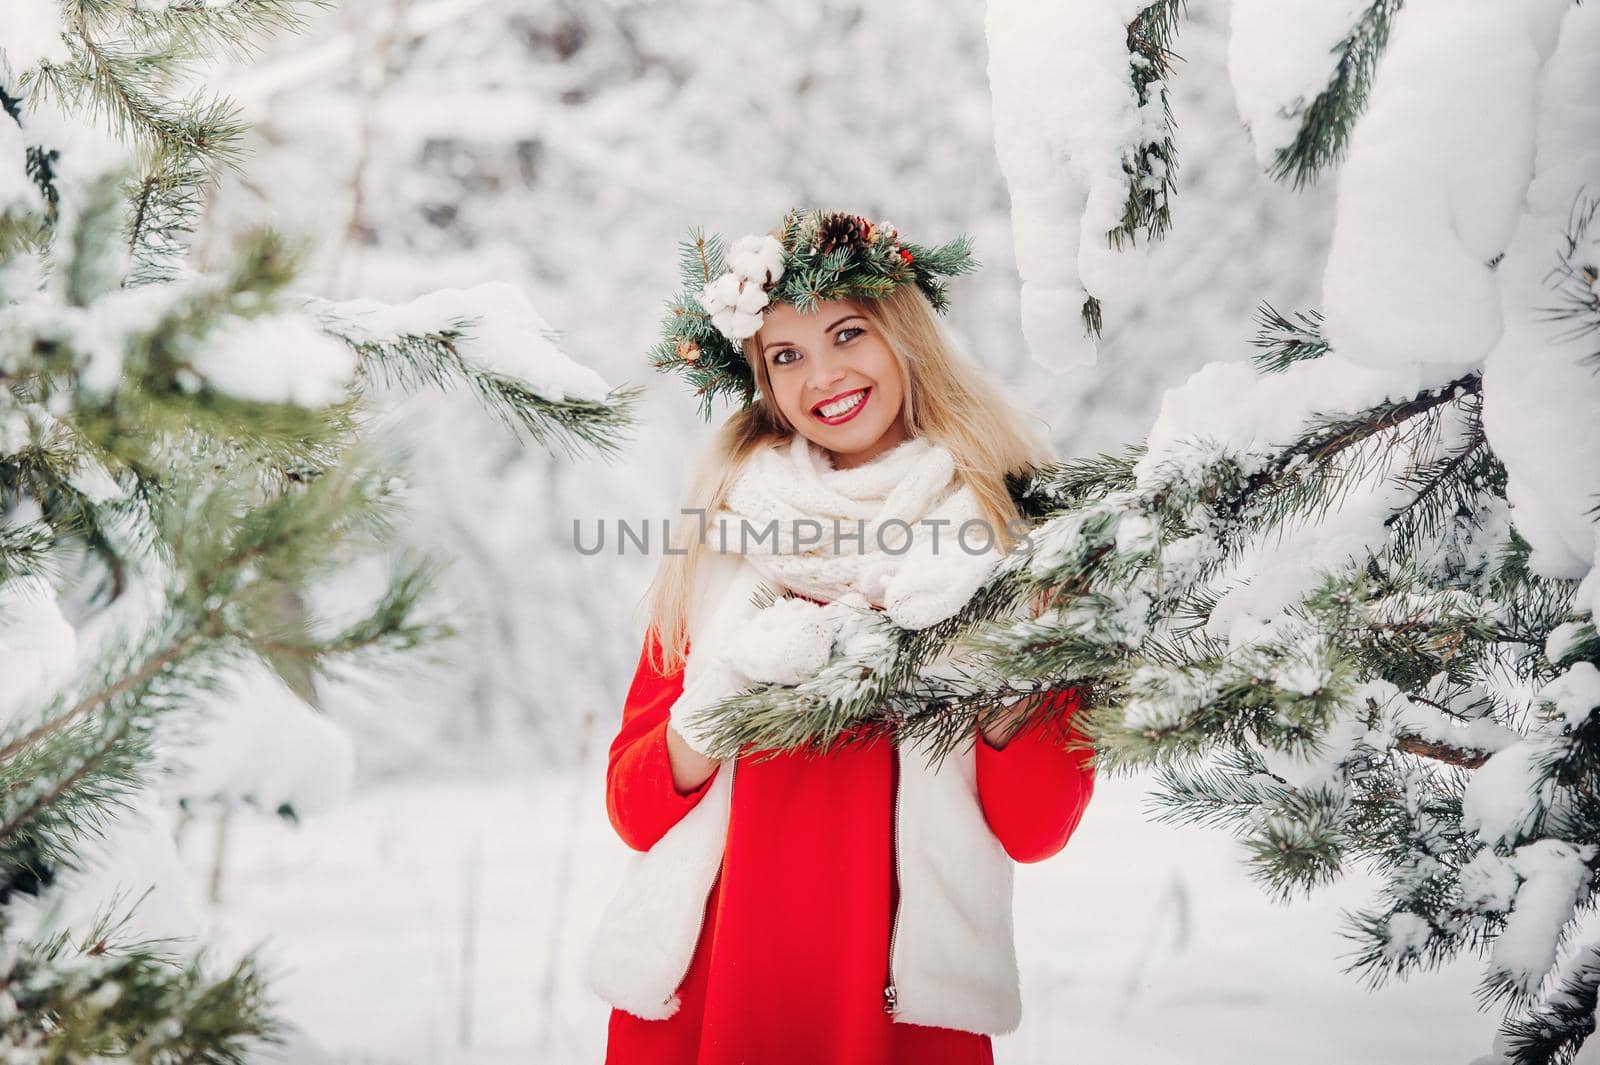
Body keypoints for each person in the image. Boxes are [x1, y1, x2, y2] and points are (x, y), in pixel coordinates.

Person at [586, 208, 1097, 1064]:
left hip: (897, 1008)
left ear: (904, 338)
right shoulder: (720, 542)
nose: (821, 375)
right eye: (785, 355)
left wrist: (1005, 659)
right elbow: (634, 810)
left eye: (847, 333)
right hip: (705, 996)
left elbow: (1036, 827)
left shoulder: (1003, 542)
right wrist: (719, 704)